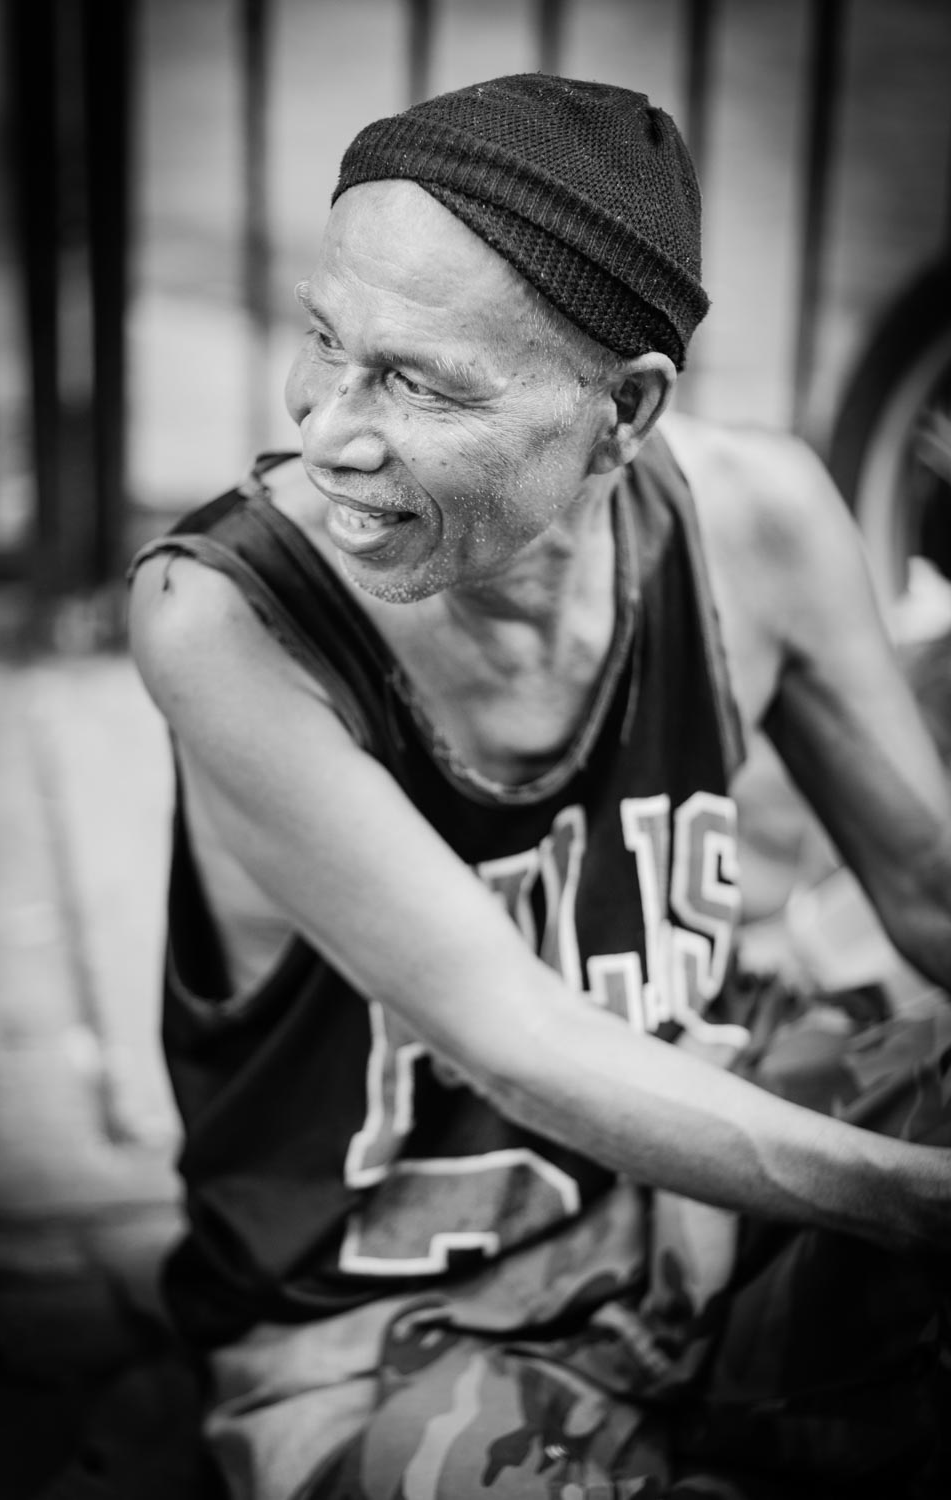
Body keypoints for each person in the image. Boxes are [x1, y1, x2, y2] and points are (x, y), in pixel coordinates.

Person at [128, 75, 951, 1499]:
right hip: (391, 1327)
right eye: (325, 340)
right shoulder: (228, 618)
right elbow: (519, 1038)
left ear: (622, 411)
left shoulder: (755, 523)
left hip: (707, 1183)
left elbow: (933, 892)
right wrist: (918, 1203)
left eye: (416, 381)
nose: (326, 432)